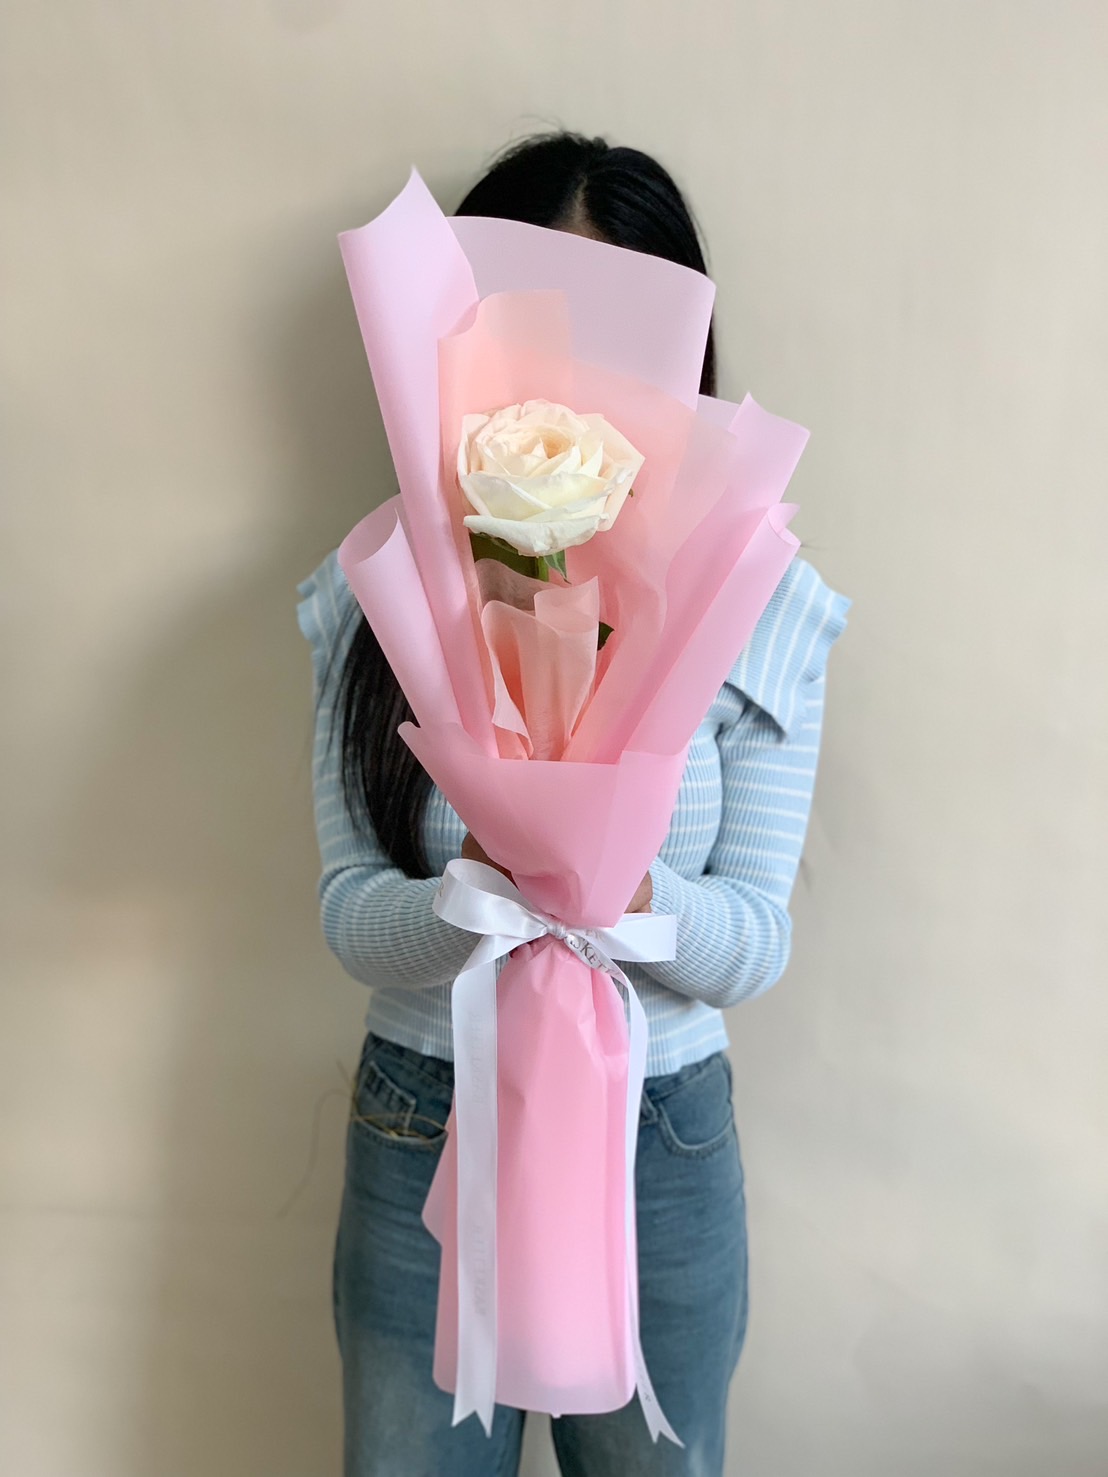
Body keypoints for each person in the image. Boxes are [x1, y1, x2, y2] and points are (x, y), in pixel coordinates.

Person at [297, 130, 850, 1477]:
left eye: (621, 326)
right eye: (529, 318)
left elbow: (759, 939)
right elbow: (346, 912)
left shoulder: (758, 595)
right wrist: (471, 887)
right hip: (421, 1117)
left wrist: (625, 894)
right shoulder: (378, 591)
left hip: (657, 1142)